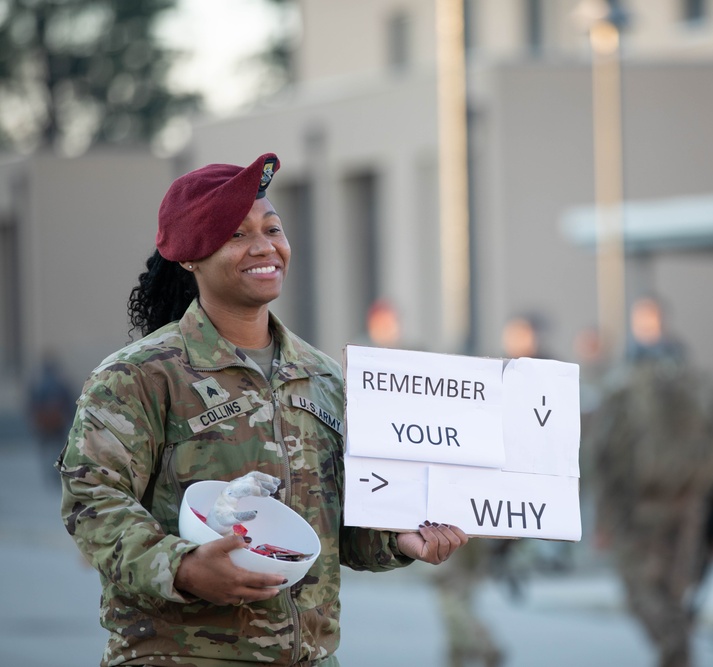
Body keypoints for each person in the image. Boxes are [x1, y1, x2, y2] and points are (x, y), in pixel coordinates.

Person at [57, 153, 469, 666]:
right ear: (190, 257)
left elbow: (341, 528)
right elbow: (91, 502)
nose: (264, 246)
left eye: (272, 228)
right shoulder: (140, 376)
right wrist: (182, 566)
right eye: (236, 235)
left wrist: (399, 539)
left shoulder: (323, 377)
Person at [585, 302, 713, 667]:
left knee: (642, 593)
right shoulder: (698, 381)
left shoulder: (624, 384)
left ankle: (675, 648)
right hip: (691, 508)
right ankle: (676, 649)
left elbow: (601, 456)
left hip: (641, 510)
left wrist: (603, 517)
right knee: (671, 594)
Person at [28, 351, 76, 487]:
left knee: (45, 449)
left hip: (44, 423)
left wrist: (34, 421)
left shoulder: (38, 384)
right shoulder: (61, 383)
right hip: (59, 422)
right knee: (59, 448)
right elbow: (70, 402)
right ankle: (56, 472)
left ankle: (49, 472)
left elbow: (32, 404)